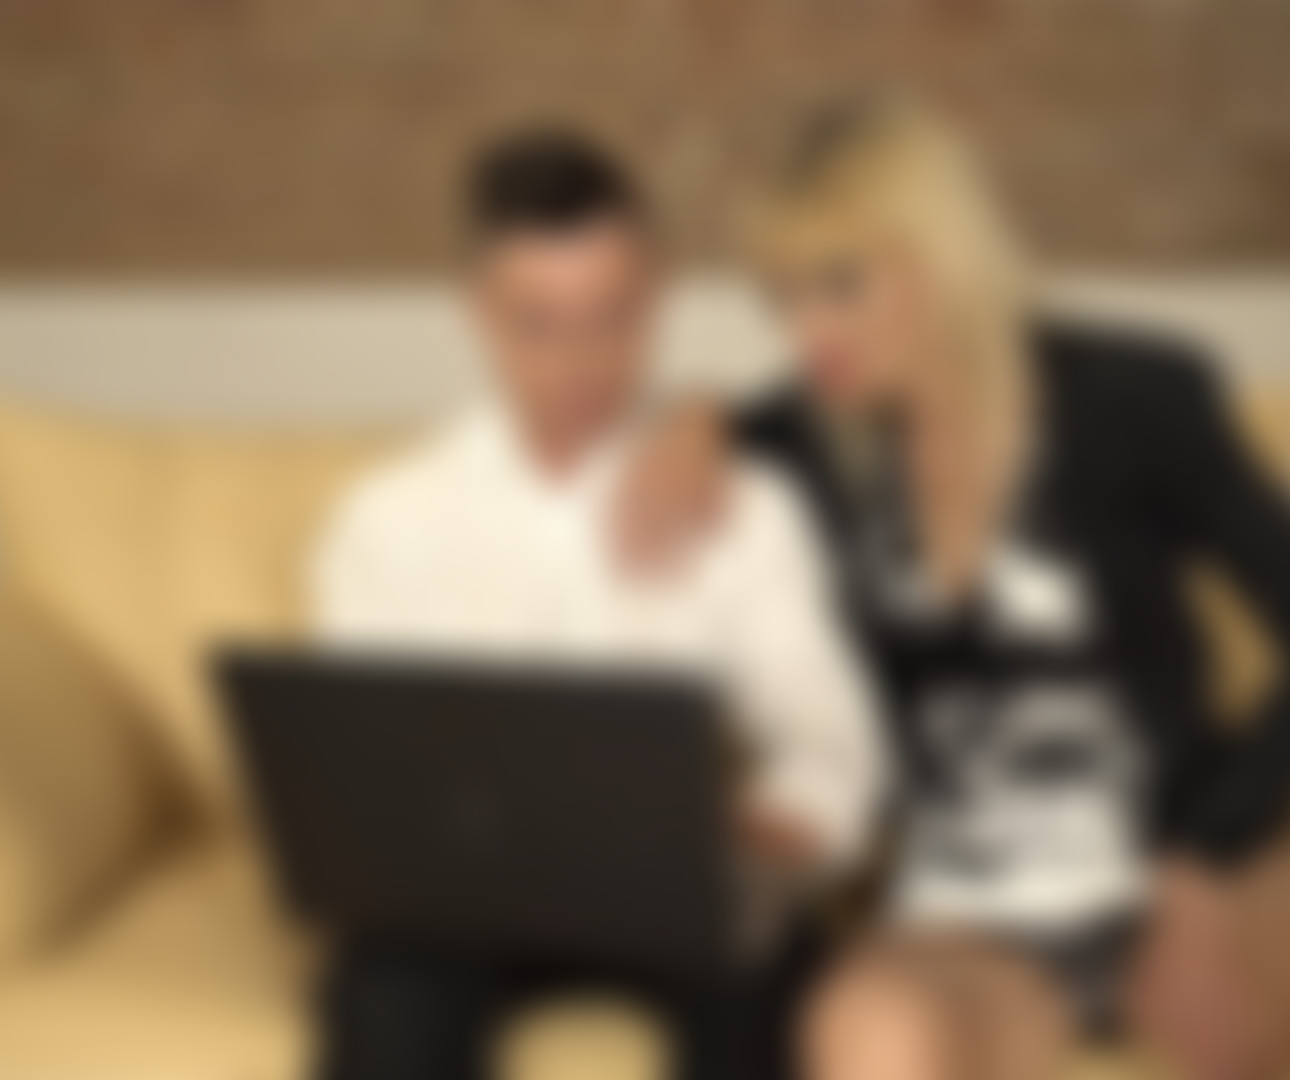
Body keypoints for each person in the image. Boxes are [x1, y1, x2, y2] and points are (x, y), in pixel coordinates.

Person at [617, 95, 1290, 1080]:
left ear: (937, 260)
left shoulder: (1133, 401)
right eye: (782, 298)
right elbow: (655, 462)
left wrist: (1197, 861)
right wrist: (687, 419)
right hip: (969, 931)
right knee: (873, 1033)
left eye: (839, 285)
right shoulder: (801, 448)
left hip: (1169, 870)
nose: (808, 330)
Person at [309, 129, 889, 1080]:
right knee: (387, 998)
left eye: (615, 318)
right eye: (539, 325)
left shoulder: (745, 506)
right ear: (475, 314)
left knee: (765, 987)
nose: (583, 363)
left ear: (658, 297)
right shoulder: (387, 519)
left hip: (688, 898)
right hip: (463, 911)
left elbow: (833, 745)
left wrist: (765, 825)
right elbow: (369, 783)